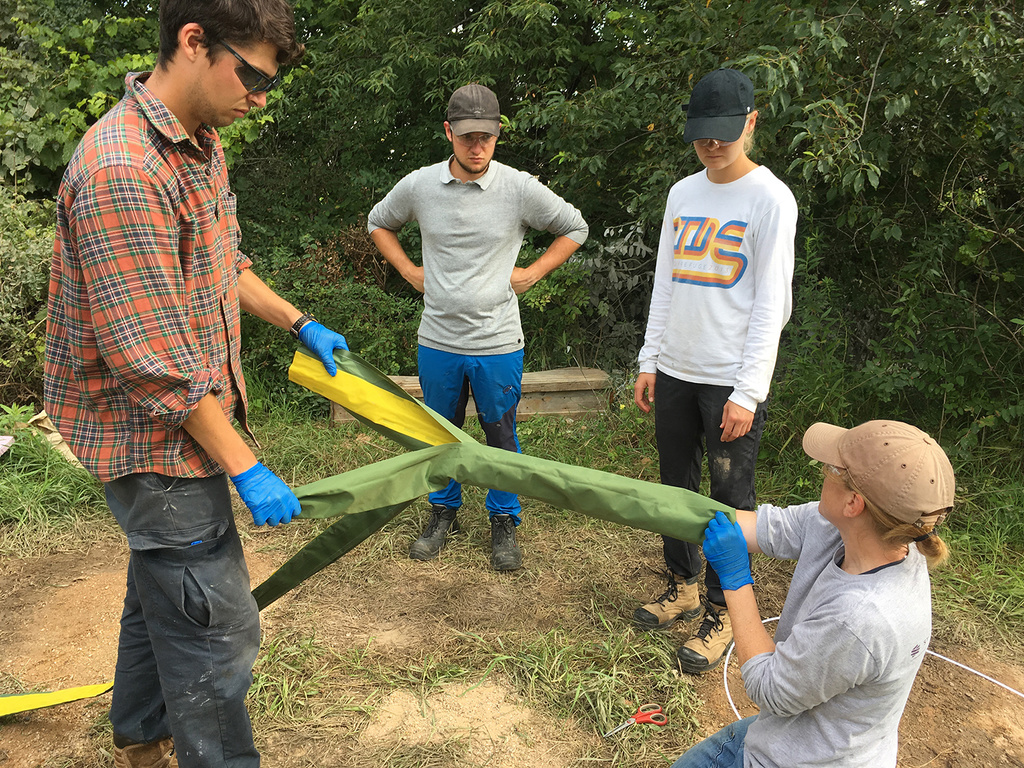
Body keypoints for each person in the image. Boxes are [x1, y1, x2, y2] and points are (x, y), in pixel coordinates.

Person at [43, 2, 349, 766]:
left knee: (163, 593)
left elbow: (223, 261)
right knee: (217, 631)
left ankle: (141, 736)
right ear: (192, 42)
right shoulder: (123, 167)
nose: (261, 98)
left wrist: (298, 320)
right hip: (152, 439)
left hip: (184, 423)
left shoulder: (199, 146)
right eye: (252, 76)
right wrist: (246, 465)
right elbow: (152, 364)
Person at [367, 83, 589, 571]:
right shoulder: (420, 186)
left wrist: (532, 273)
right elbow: (378, 221)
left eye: (486, 136)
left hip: (497, 341)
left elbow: (575, 226)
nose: (477, 146)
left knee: (500, 433)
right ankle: (442, 513)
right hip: (438, 339)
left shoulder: (518, 188)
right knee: (440, 433)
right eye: (467, 136)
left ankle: (504, 520)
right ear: (449, 132)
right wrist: (407, 270)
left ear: (497, 135)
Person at [632, 68, 797, 673]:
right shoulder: (683, 193)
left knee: (729, 501)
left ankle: (725, 614)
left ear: (751, 123)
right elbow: (665, 283)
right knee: (675, 486)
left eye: (725, 133)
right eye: (702, 134)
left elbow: (771, 306)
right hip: (676, 367)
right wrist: (651, 359)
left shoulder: (771, 200)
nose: (712, 145)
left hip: (730, 379)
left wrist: (748, 392)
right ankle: (680, 584)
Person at [672, 419, 954, 767]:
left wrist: (735, 580)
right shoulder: (873, 534)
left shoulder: (860, 618)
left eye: (833, 467)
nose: (823, 469)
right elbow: (770, 527)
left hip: (802, 758)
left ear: (853, 502)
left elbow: (769, 688)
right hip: (784, 735)